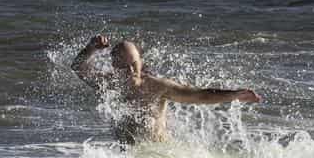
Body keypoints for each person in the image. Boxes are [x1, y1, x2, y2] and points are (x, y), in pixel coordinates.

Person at [72, 35, 262, 144]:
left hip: (158, 156)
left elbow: (198, 95)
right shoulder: (109, 84)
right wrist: (90, 49)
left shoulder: (157, 86)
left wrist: (234, 95)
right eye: (123, 66)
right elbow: (78, 68)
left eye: (134, 64)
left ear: (141, 62)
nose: (130, 71)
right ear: (114, 67)